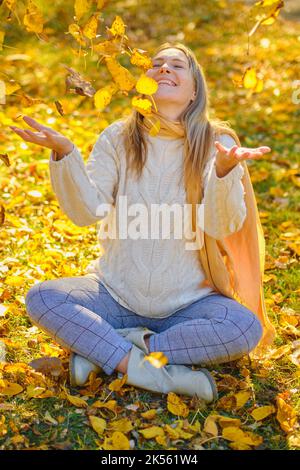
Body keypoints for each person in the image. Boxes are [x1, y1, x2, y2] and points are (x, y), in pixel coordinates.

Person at [10, 42, 274, 404]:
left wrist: (226, 171)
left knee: (244, 329)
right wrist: (65, 153)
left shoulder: (217, 143)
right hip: (114, 295)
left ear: (195, 89)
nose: (164, 68)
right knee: (43, 298)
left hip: (188, 304)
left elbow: (221, 224)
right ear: (144, 84)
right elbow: (87, 211)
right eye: (156, 64)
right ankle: (151, 368)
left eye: (177, 65)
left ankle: (110, 353)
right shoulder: (118, 138)